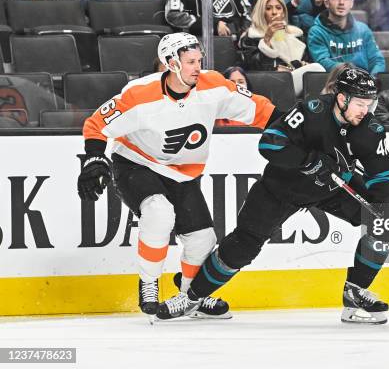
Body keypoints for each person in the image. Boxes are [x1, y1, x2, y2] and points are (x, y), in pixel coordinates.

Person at [155, 66, 389, 325]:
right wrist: (308, 161)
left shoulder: (370, 129)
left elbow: (383, 172)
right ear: (342, 99)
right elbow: (270, 142)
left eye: (369, 104)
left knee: (387, 220)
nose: (366, 111)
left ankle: (355, 294)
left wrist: (385, 202)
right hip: (281, 188)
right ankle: (193, 297)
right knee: (244, 245)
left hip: (332, 187)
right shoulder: (312, 110)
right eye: (360, 104)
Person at [76, 33, 279, 319]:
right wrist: (95, 159)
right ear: (171, 63)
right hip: (137, 164)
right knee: (158, 213)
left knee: (203, 240)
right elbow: (96, 124)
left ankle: (190, 298)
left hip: (185, 175)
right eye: (190, 62)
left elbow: (260, 110)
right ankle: (148, 283)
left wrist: (298, 127)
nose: (198, 67)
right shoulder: (139, 94)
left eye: (199, 61)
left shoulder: (213, 86)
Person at [239, 0, 325, 94]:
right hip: (265, 85)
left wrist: (300, 65)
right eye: (268, 8)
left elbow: (304, 63)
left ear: (284, 12)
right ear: (261, 12)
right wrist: (267, 39)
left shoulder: (296, 36)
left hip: (292, 84)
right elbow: (253, 67)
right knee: (317, 69)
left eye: (278, 8)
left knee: (316, 73)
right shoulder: (251, 36)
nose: (274, 12)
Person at [308, 0, 386, 77]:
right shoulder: (317, 32)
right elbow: (324, 63)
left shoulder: (363, 30)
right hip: (335, 84)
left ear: (351, 3)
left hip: (366, 84)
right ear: (327, 3)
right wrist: (354, 76)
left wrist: (372, 80)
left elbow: (377, 60)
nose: (341, 2)